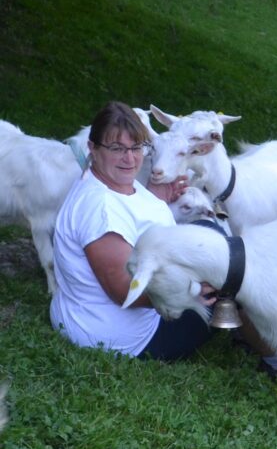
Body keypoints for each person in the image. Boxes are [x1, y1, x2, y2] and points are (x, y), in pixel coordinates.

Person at [49, 101, 211, 360]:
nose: (130, 158)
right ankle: (276, 361)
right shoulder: (100, 211)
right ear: (92, 148)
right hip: (123, 336)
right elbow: (126, 291)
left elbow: (129, 219)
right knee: (232, 275)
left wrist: (154, 198)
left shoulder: (104, 181)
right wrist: (191, 291)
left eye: (137, 147)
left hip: (89, 316)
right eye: (117, 148)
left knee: (209, 233)